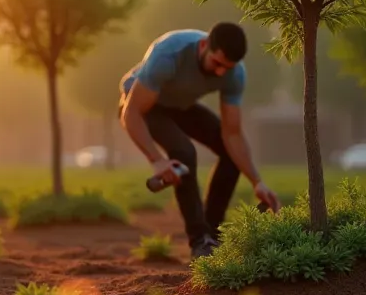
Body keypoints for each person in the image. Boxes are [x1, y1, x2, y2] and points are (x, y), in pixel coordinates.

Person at [118, 22, 281, 259]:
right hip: (144, 106)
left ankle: (211, 236)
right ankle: (199, 240)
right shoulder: (168, 54)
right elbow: (131, 113)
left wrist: (257, 181)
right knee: (184, 153)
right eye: (217, 63)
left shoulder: (235, 75)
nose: (221, 73)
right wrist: (157, 161)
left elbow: (232, 134)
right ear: (204, 45)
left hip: (181, 106)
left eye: (227, 68)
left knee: (230, 153)